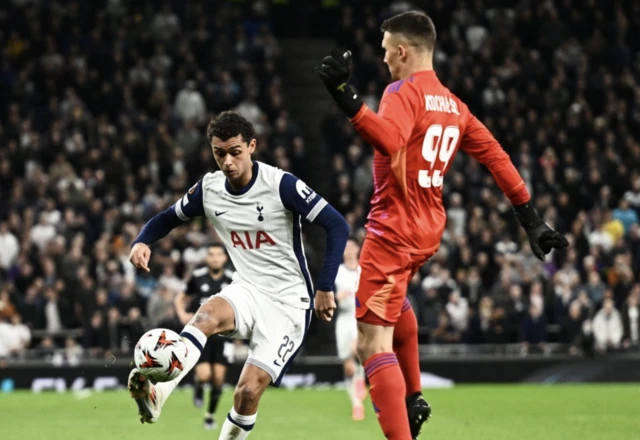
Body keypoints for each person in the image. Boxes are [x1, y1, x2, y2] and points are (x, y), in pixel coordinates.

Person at [316, 10, 568, 440]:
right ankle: (413, 396)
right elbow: (496, 156)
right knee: (397, 307)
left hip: (393, 230)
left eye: (385, 53)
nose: (384, 61)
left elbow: (391, 140)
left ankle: (402, 428)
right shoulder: (453, 104)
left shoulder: (402, 91)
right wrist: (531, 217)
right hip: (428, 229)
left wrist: (346, 96)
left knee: (369, 345)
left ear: (401, 51)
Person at [127, 111, 349, 440]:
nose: (228, 162)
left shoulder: (280, 185)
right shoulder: (209, 189)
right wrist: (142, 240)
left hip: (288, 303)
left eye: (235, 152)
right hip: (246, 289)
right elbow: (168, 217)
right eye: (220, 154)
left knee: (246, 393)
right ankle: (159, 394)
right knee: (205, 316)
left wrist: (325, 286)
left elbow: (337, 225)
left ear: (252, 146)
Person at [173, 244, 233, 430]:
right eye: (211, 254)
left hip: (223, 335)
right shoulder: (198, 277)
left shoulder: (232, 280)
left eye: (218, 255)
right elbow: (180, 297)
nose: (215, 258)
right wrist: (182, 314)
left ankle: (209, 416)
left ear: (224, 258)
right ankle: (198, 385)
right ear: (207, 258)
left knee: (218, 379)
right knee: (205, 374)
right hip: (201, 334)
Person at [334, 238, 367, 420]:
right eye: (345, 246)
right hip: (344, 320)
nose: (348, 250)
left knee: (358, 350)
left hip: (359, 318)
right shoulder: (338, 272)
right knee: (348, 367)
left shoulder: (363, 271)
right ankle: (356, 404)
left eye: (351, 246)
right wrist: (337, 297)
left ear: (357, 249)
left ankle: (361, 381)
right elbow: (330, 295)